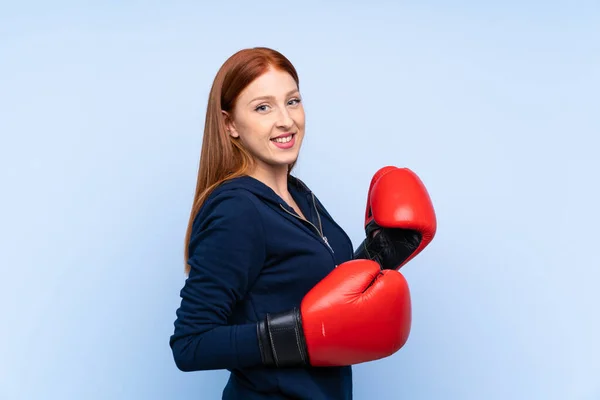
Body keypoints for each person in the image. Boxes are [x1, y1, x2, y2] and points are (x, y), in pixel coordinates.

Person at [169, 47, 437, 400]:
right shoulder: (237, 209)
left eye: (292, 101)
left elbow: (320, 296)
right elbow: (190, 344)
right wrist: (298, 334)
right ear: (229, 124)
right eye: (263, 107)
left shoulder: (298, 194)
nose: (285, 120)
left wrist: (381, 253)